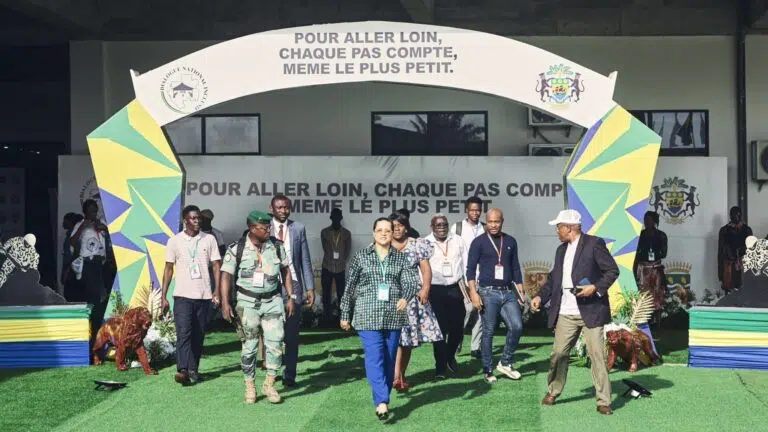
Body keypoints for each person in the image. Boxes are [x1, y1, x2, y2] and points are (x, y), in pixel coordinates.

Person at [531, 209, 619, 415]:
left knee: (597, 356)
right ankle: (553, 390)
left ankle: (603, 401)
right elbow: (554, 279)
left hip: (591, 310)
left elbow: (612, 270)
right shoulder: (560, 250)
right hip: (565, 311)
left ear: (569, 228)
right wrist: (540, 296)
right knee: (558, 353)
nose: (556, 231)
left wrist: (595, 288)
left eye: (558, 227)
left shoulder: (594, 244)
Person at [340, 217, 420, 420]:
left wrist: (405, 297)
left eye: (388, 230)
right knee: (375, 356)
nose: (384, 233)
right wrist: (345, 314)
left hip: (393, 316)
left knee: (389, 359)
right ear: (373, 233)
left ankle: (382, 397)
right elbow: (349, 288)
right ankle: (382, 401)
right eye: (380, 230)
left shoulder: (401, 258)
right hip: (367, 315)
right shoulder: (361, 257)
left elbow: (411, 281)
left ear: (393, 233)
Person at [219, 211, 295, 404]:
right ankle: (250, 386)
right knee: (249, 347)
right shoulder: (237, 248)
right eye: (264, 228)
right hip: (247, 303)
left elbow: (286, 271)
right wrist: (225, 303)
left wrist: (290, 297)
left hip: (273, 301)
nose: (268, 230)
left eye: (269, 227)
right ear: (252, 228)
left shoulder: (276, 247)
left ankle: (269, 384)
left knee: (276, 345)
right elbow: (226, 276)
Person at [161, 205, 221, 386]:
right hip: (182, 295)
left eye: (198, 218)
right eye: (193, 218)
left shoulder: (209, 239)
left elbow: (216, 265)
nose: (197, 221)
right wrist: (163, 295)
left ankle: (193, 369)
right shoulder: (174, 241)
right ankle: (182, 370)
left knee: (198, 334)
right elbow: (168, 268)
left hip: (204, 295)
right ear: (185, 220)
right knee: (183, 332)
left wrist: (217, 290)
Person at [466, 208, 525, 384]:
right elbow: (470, 270)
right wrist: (473, 293)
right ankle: (487, 369)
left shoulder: (510, 241)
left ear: (502, 222)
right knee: (489, 331)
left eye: (497, 222)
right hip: (487, 292)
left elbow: (515, 267)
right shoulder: (478, 242)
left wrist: (521, 290)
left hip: (507, 291)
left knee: (517, 326)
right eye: (490, 222)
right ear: (486, 221)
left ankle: (505, 362)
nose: (493, 225)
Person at [389, 211, 441, 391]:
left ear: (406, 228)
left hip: (411, 300)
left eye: (400, 226)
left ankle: (400, 375)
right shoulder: (382, 245)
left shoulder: (417, 244)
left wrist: (425, 289)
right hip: (388, 300)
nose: (397, 229)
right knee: (393, 339)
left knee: (407, 341)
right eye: (393, 226)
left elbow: (426, 270)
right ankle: (394, 375)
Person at [270, 194, 315, 386]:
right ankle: (272, 370)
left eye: (286, 207)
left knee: (292, 333)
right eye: (279, 207)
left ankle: (290, 374)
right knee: (272, 333)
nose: (283, 211)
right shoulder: (263, 227)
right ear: (272, 209)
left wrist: (310, 287)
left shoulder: (298, 228)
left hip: (293, 284)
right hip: (270, 285)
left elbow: (304, 259)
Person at [424, 213, 466, 379]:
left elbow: (466, 263)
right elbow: (421, 268)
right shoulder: (425, 243)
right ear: (432, 227)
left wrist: (470, 286)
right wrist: (424, 289)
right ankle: (440, 368)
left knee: (457, 329)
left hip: (455, 288)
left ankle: (449, 355)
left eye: (444, 225)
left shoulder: (457, 240)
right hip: (435, 290)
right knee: (439, 331)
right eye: (438, 225)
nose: (442, 228)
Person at [70, 199, 112, 344]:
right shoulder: (80, 224)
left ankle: (100, 329)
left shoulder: (102, 223)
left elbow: (115, 240)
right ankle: (92, 331)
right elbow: (72, 242)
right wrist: (83, 227)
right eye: (91, 211)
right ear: (85, 212)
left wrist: (105, 229)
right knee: (93, 298)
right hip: (88, 264)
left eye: (95, 210)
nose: (94, 213)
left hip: (102, 264)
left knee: (103, 297)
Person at [451, 196, 486, 359]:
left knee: (481, 311)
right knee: (468, 309)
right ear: (466, 210)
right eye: (472, 210)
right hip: (464, 277)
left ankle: (476, 347)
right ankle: (456, 339)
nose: (475, 213)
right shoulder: (457, 227)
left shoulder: (485, 228)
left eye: (478, 210)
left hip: (483, 277)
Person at [320, 207, 352, 324]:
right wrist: (332, 258)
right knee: (326, 294)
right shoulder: (324, 232)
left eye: (338, 217)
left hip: (340, 267)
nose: (336, 219)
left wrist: (341, 260)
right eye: (334, 217)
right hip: (327, 265)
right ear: (331, 218)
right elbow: (325, 248)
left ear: (341, 218)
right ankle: (327, 318)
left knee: (341, 294)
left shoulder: (347, 233)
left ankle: (342, 318)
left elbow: (347, 250)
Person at [634, 211, 668, 315]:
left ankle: (656, 315)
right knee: (644, 292)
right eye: (645, 220)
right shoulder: (640, 235)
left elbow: (664, 253)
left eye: (648, 220)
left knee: (657, 292)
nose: (646, 222)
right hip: (644, 269)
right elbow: (636, 252)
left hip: (656, 268)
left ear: (654, 221)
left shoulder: (661, 235)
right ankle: (644, 315)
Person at [718, 206, 753, 294]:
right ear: (730, 216)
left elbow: (751, 250)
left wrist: (742, 252)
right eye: (733, 215)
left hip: (743, 264)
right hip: (728, 265)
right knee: (729, 291)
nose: (736, 217)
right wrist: (720, 274)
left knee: (744, 290)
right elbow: (720, 253)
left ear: (741, 215)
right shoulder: (724, 230)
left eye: (738, 214)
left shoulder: (747, 230)